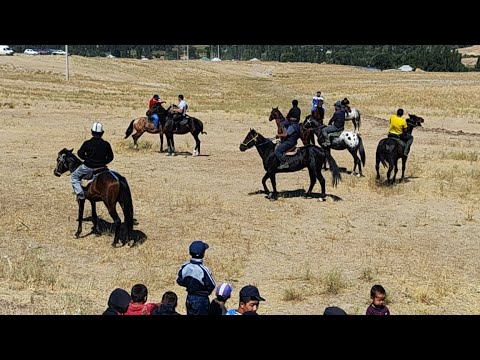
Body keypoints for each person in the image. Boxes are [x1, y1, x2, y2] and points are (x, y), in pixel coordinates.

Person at [71, 122, 114, 201]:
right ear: (102, 133)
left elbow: (80, 154)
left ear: (91, 132)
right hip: (102, 168)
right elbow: (111, 157)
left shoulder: (87, 143)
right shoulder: (106, 144)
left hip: (88, 167)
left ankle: (80, 194)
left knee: (74, 176)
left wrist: (87, 159)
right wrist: (103, 162)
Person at [176, 240, 216, 315]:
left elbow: (179, 281)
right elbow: (211, 285)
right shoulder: (204, 270)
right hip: (202, 300)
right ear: (203, 254)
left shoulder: (185, 266)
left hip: (190, 297)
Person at [275, 101, 302, 170]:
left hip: (289, 142)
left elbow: (286, 134)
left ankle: (284, 163)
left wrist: (279, 135)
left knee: (277, 151)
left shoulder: (291, 126)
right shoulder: (299, 110)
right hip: (294, 139)